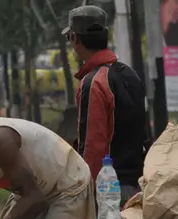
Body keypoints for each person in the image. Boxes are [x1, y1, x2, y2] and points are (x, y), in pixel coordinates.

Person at [63, 5, 148, 205]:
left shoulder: (93, 82)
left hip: (108, 191)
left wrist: (83, 195)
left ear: (75, 39)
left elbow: (93, 145)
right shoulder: (130, 74)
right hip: (138, 186)